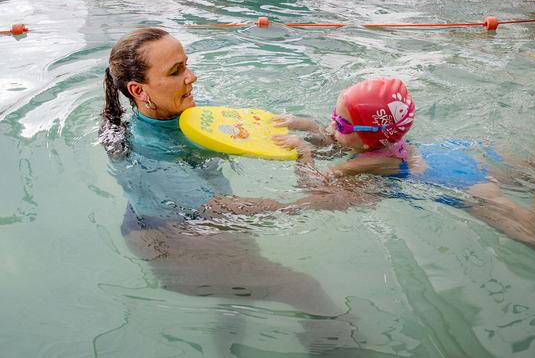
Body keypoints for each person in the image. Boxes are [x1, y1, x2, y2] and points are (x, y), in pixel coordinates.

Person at [99, 28, 351, 325]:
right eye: (176, 71)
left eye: (187, 64)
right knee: (302, 288)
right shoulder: (146, 151)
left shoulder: (190, 116)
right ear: (139, 91)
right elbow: (219, 207)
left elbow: (260, 139)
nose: (191, 77)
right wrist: (310, 204)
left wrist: (317, 135)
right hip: (173, 246)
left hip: (201, 229)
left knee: (241, 298)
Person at [205, 78, 535, 249]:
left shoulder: (363, 164)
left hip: (450, 180)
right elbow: (333, 136)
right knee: (515, 170)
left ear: (366, 136)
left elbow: (316, 184)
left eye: (340, 121)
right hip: (457, 152)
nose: (331, 124)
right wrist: (303, 124)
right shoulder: (384, 137)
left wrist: (303, 152)